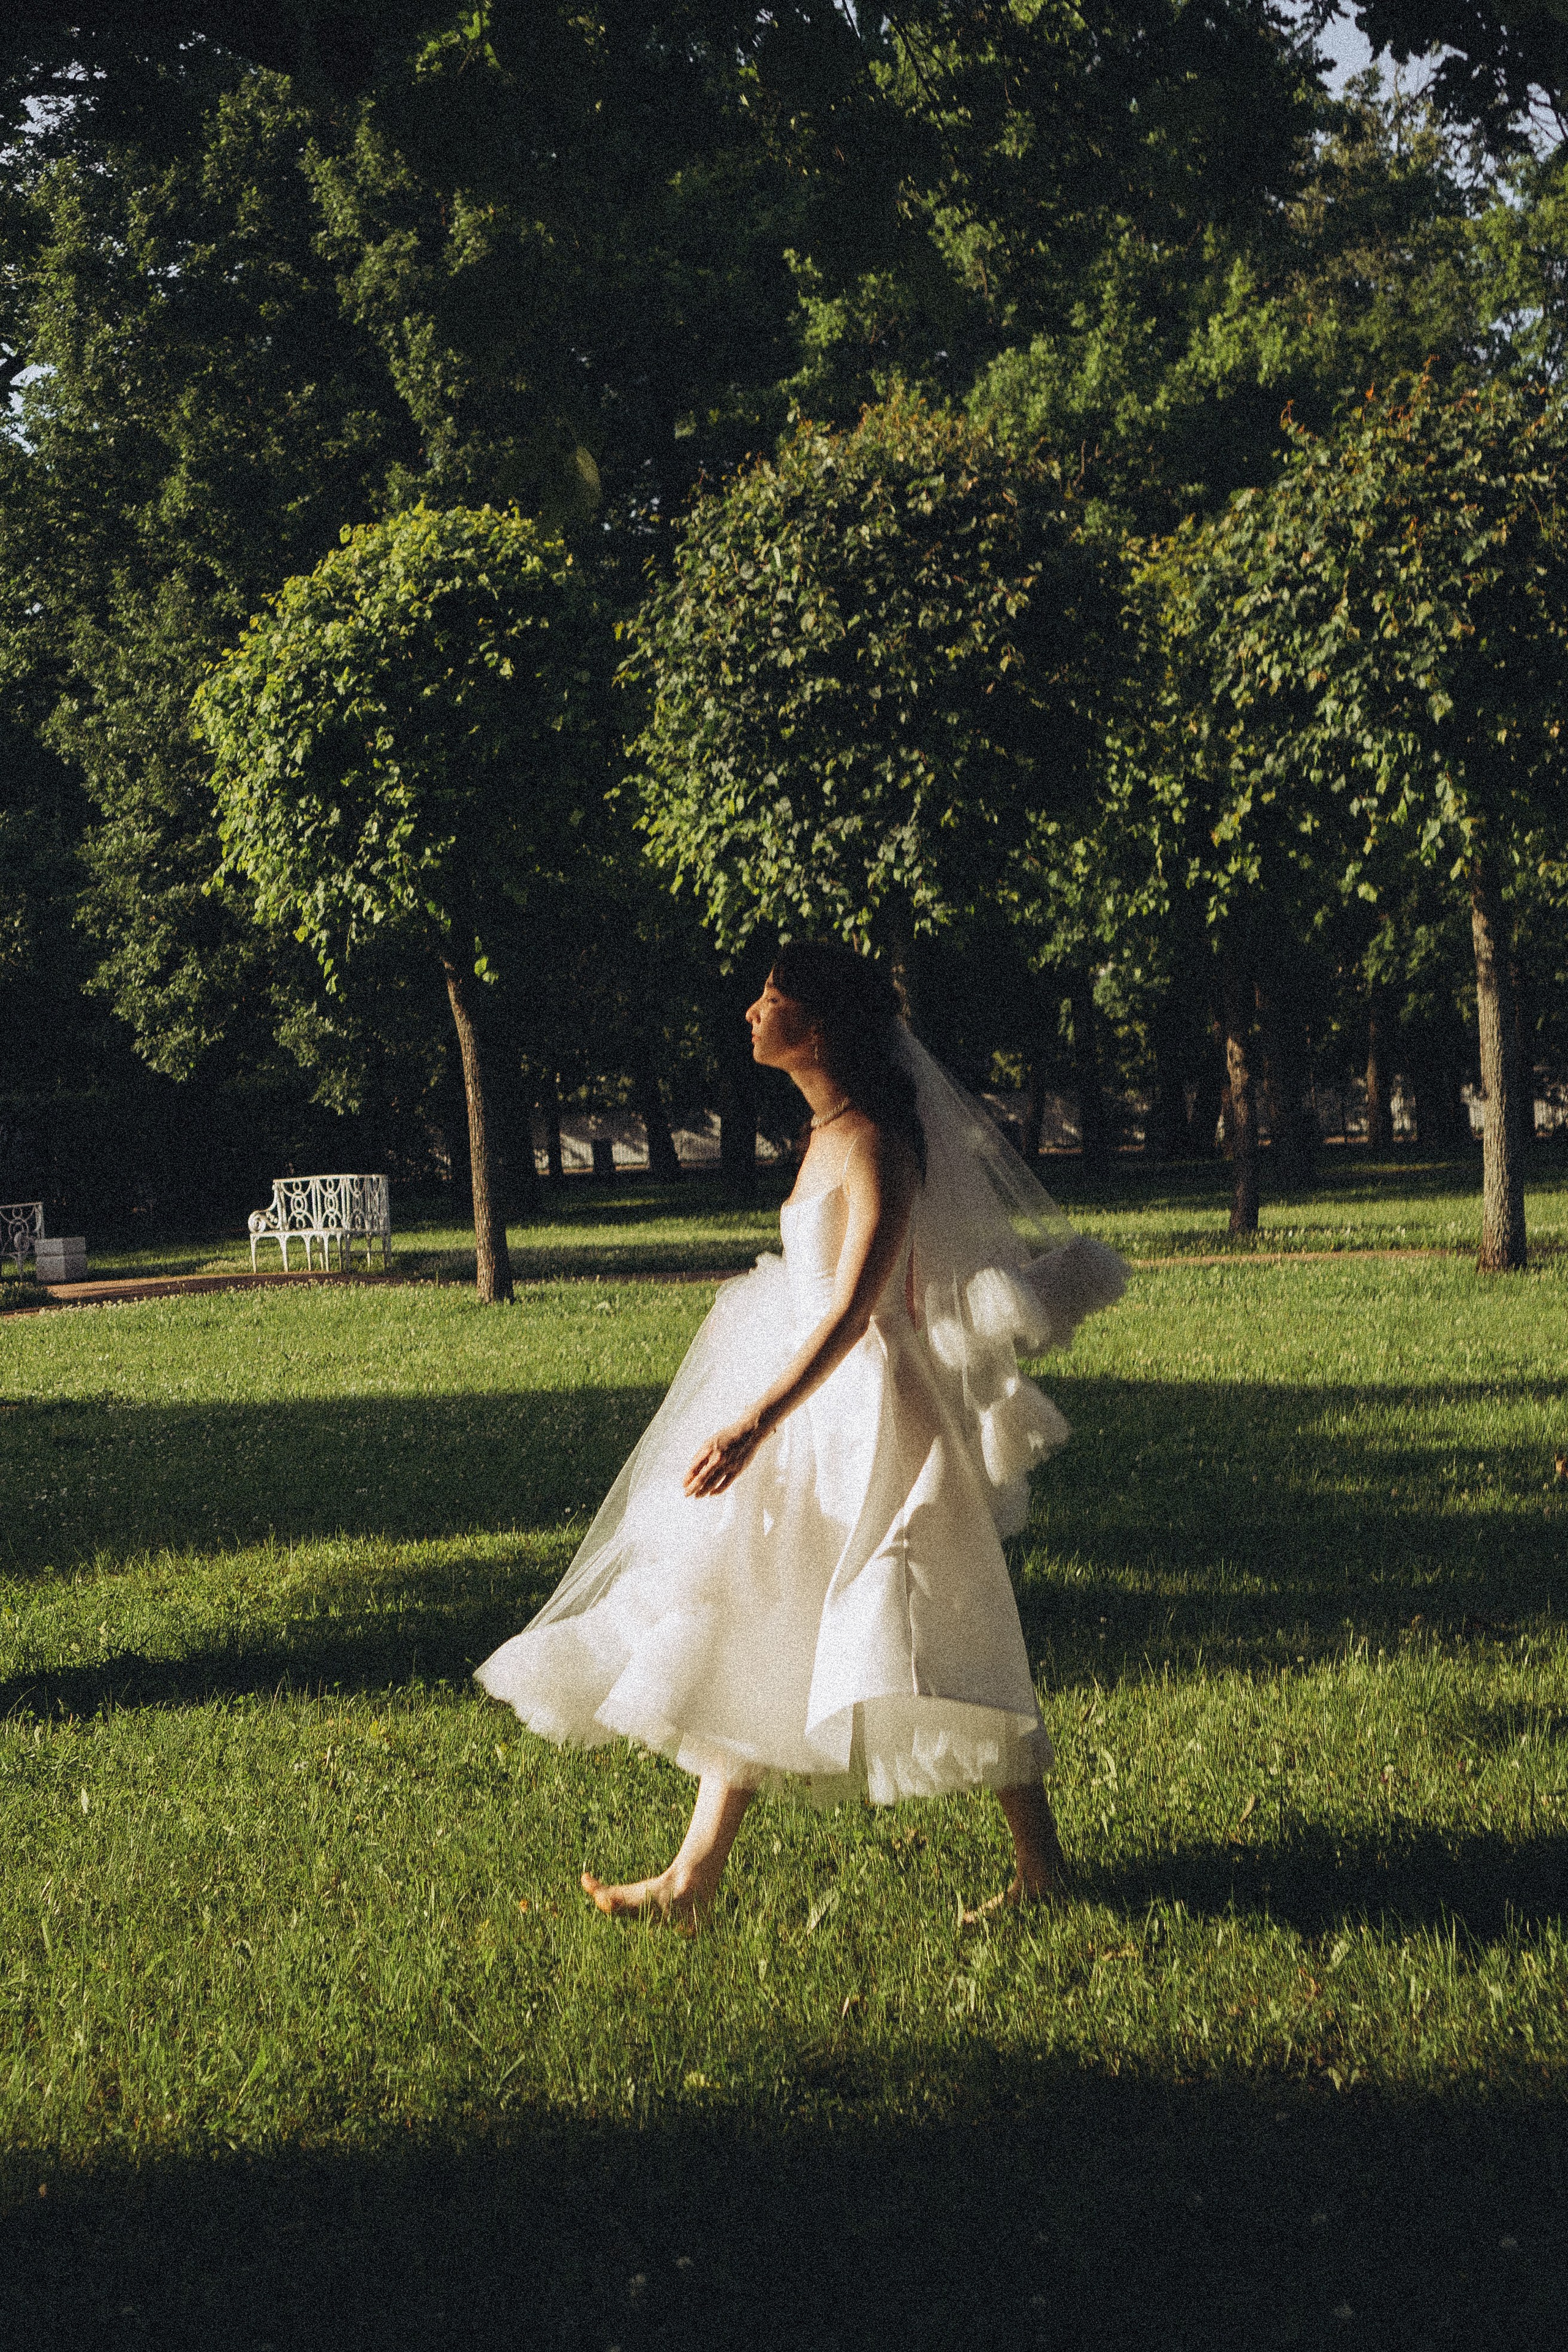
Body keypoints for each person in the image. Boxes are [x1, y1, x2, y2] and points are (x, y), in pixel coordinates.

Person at [477, 941, 1125, 1924]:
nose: (749, 1012)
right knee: (758, 1618)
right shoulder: (830, 1131)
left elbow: (862, 1308)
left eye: (770, 999)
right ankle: (692, 1880)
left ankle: (1045, 1872)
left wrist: (753, 1420)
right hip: (812, 1414)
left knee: (941, 1629)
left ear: (814, 1027)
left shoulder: (874, 1140)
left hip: (871, 1423)